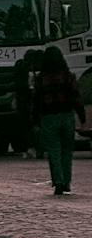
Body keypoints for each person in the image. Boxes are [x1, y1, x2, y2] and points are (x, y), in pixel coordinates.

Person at [33, 45, 86, 195]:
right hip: (66, 115)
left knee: (54, 150)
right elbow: (76, 97)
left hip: (49, 117)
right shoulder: (68, 76)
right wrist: (82, 116)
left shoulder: (41, 79)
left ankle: (58, 181)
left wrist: (35, 120)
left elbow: (36, 101)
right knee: (67, 151)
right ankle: (67, 181)